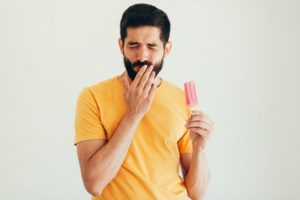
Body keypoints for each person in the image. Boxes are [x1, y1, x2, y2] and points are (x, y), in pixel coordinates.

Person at [74, 3, 214, 200]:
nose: (142, 56)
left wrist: (199, 149)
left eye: (151, 46)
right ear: (121, 45)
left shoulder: (181, 99)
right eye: (133, 45)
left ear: (166, 49)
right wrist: (134, 114)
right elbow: (94, 183)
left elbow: (198, 193)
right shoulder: (92, 97)